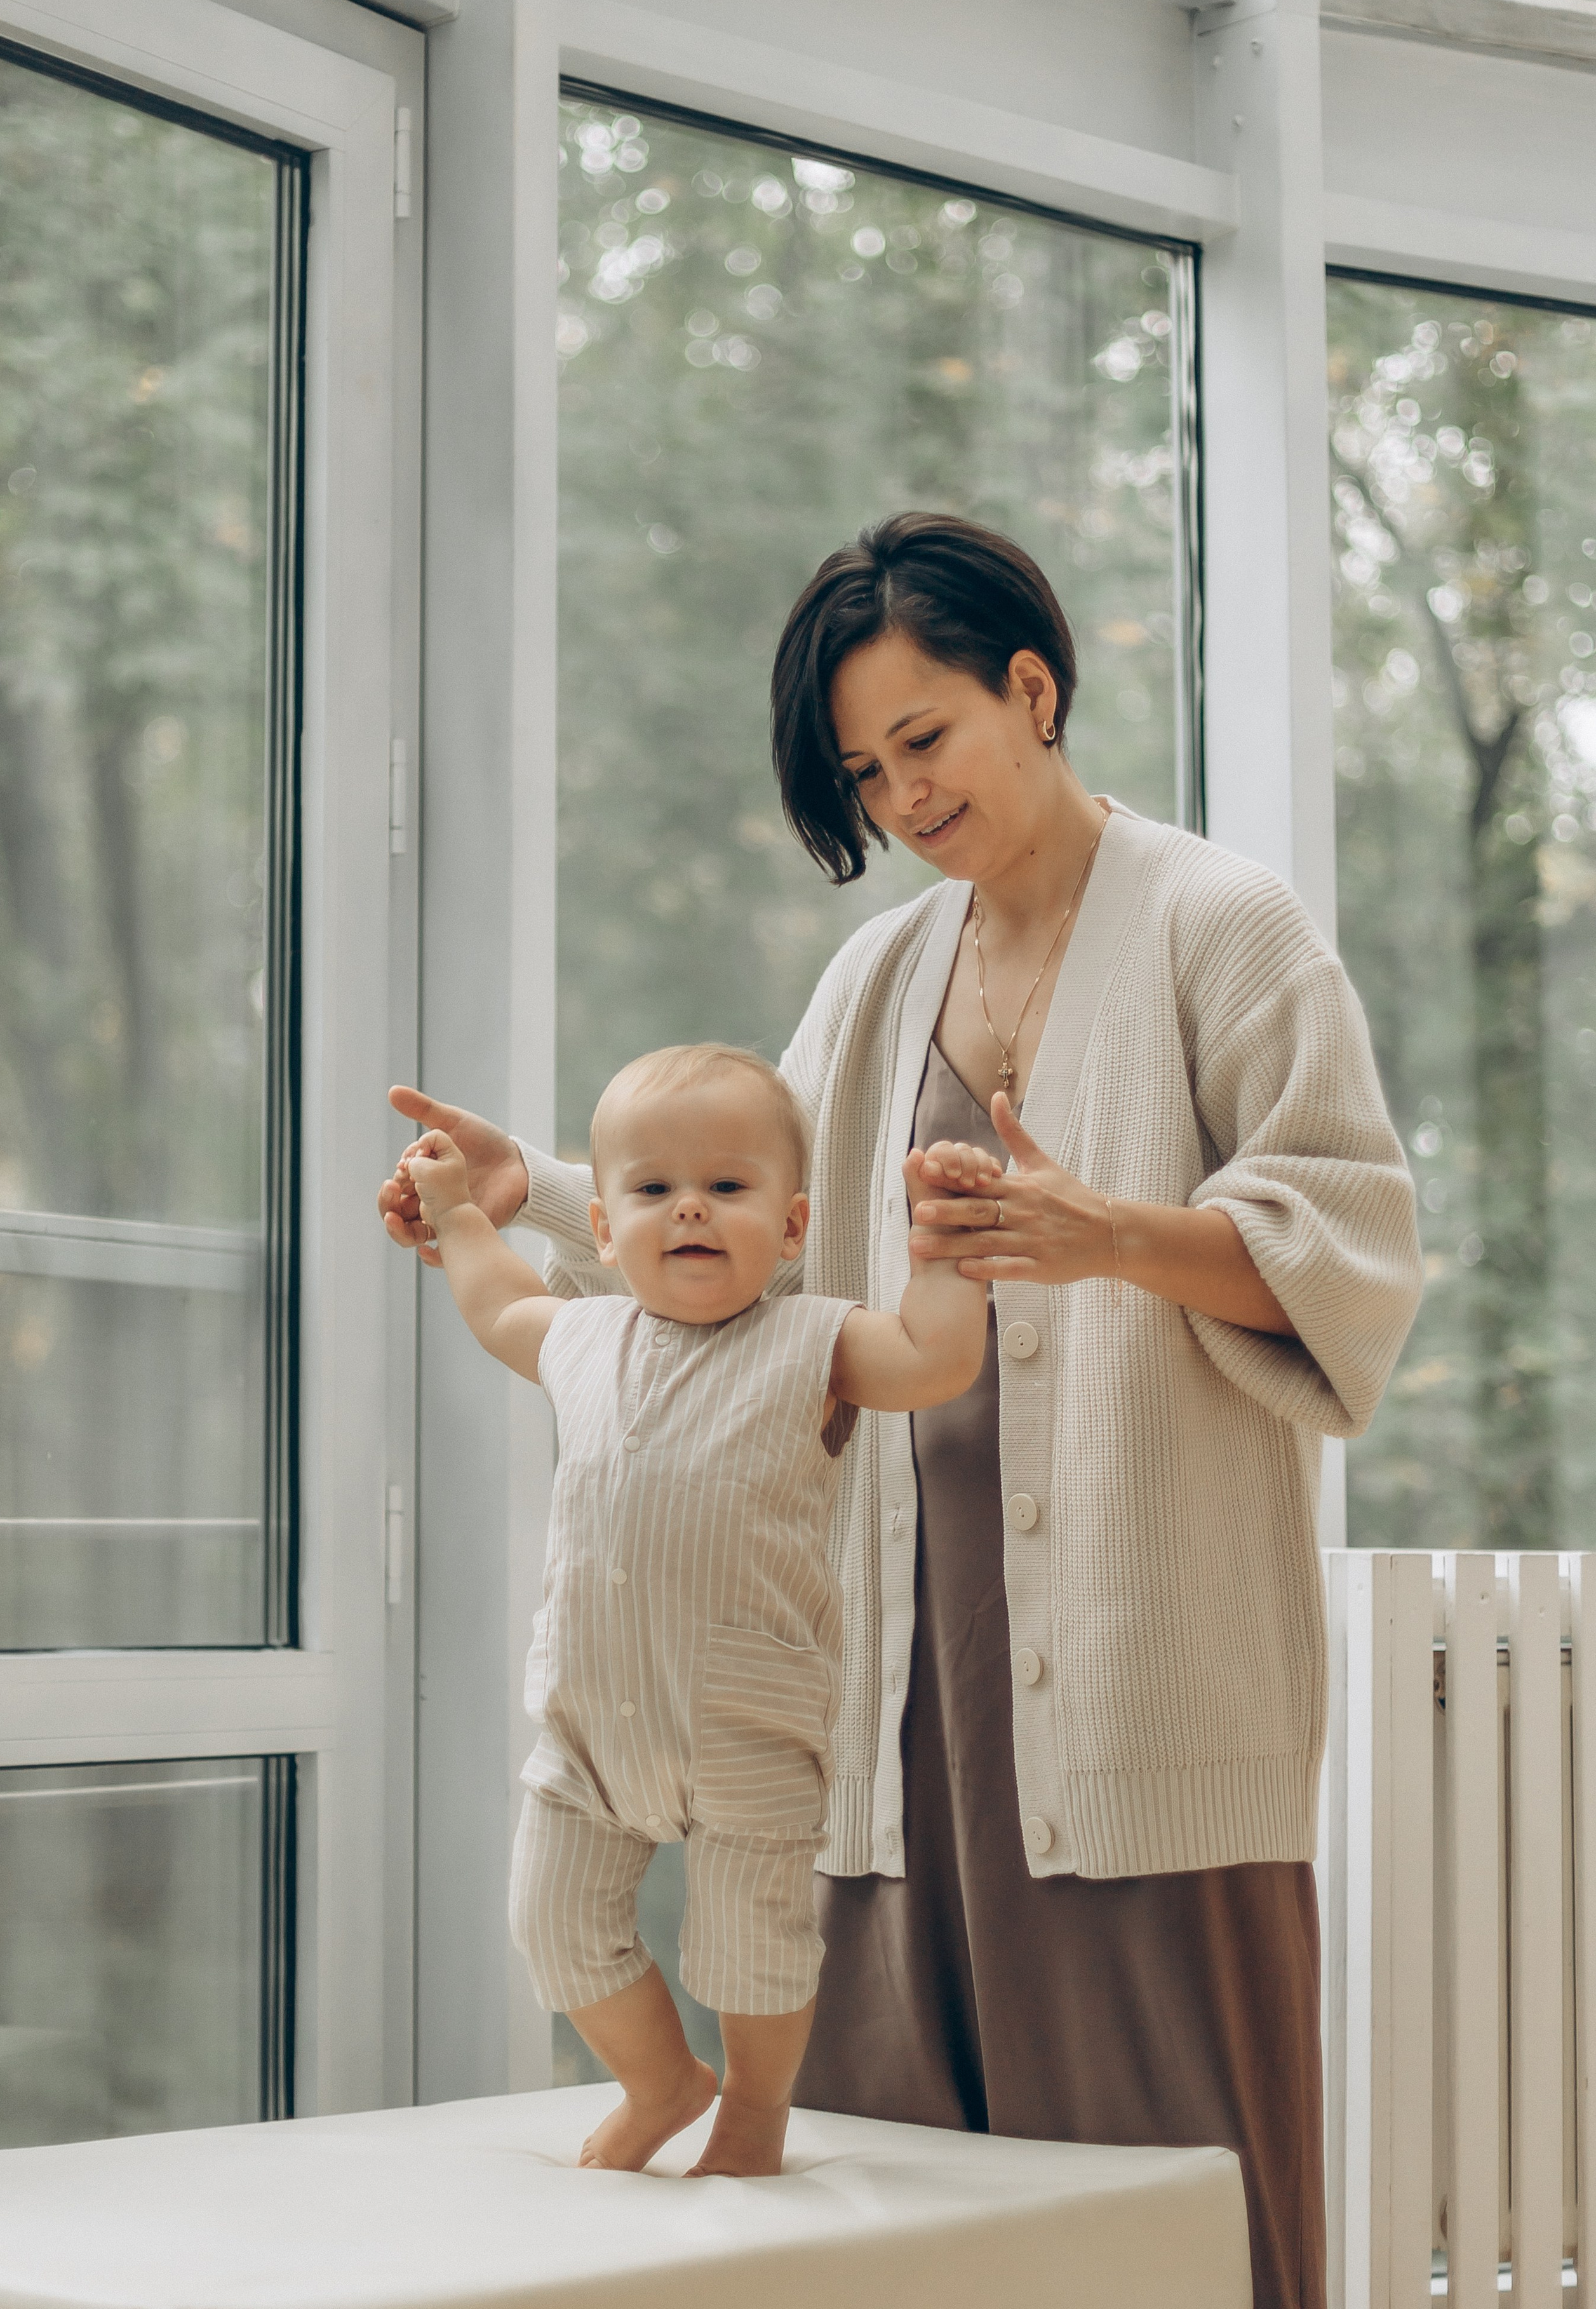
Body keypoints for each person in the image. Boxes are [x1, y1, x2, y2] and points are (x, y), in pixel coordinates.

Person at [380, 514, 1423, 2305]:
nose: (901, 796)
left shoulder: (1222, 923)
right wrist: (531, 1190)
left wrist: (1112, 1234)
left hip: (1134, 1653)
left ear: (1034, 686)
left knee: (1170, 2193)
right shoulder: (877, 976)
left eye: (923, 741)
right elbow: (743, 1240)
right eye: (865, 771)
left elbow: (1352, 1252)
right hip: (881, 1668)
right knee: (893, 2218)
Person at [392, 1040, 991, 2178]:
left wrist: (947, 1252)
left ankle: (756, 2115)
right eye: (654, 1191)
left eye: (728, 1187)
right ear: (605, 1233)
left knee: (751, 1947)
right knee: (554, 1924)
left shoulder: (816, 1341)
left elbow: (933, 1361)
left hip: (747, 1721)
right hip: (588, 1722)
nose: (691, 1214)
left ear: (795, 1224)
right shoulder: (584, 1337)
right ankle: (663, 2082)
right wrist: (459, 1215)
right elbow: (497, 1304)